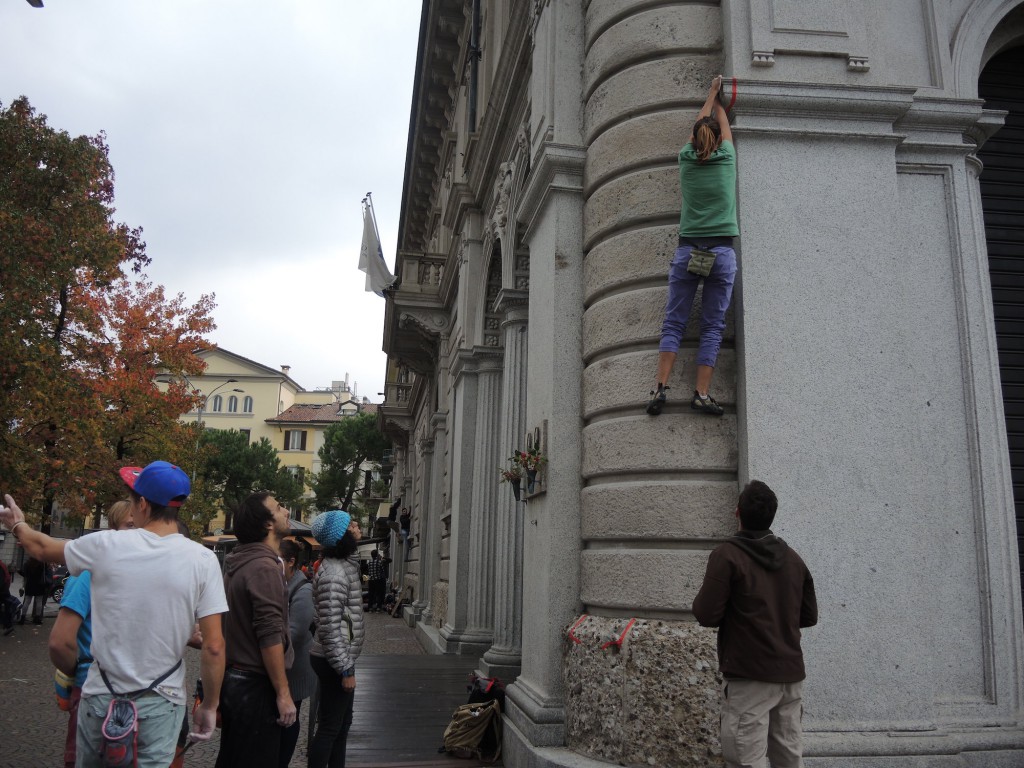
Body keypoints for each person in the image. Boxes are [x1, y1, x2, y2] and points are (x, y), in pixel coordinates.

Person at [0, 461, 227, 768]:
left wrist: (17, 524)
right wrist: (209, 706)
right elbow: (214, 646)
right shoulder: (203, 560)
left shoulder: (106, 545)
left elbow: (40, 547)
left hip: (100, 696)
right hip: (162, 701)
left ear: (143, 504)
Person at [692, 480, 818, 768]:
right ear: (772, 515)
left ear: (737, 512)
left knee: (746, 759)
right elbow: (809, 616)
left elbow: (706, 614)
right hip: (790, 676)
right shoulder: (793, 559)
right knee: (789, 759)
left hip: (749, 677)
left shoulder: (727, 556)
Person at [647, 74, 738, 417]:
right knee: (712, 326)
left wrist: (709, 95)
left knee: (675, 322)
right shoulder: (727, 158)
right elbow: (722, 128)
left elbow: (697, 127)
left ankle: (660, 388)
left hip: (689, 251)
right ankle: (701, 393)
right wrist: (721, 100)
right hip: (721, 253)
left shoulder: (686, 159)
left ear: (695, 140)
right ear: (718, 141)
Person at [48, 499, 134, 768]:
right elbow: (60, 643)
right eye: (130, 526)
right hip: (93, 688)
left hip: (134, 692)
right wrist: (79, 671)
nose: (137, 535)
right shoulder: (88, 572)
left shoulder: (138, 575)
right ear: (113, 530)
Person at [215, 492, 296, 768]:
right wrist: (283, 693)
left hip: (238, 684)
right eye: (279, 507)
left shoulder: (241, 562)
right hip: (255, 688)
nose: (286, 511)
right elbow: (269, 634)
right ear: (267, 524)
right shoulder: (263, 567)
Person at [308, 510, 365, 768]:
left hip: (338, 657)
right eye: (351, 524)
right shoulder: (334, 574)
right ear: (341, 536)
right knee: (330, 727)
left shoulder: (344, 564)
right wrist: (345, 669)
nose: (357, 525)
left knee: (341, 725)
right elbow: (331, 628)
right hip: (333, 660)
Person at [278, 539, 316, 768]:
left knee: (289, 719)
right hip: (280, 667)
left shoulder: (303, 589)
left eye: (278, 559)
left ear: (291, 562)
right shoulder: (279, 583)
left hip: (294, 670)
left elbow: (296, 632)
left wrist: (264, 645)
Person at [20, 555, 48, 624]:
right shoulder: (42, 563)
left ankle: (23, 617)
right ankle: (37, 618)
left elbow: (24, 574)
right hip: (39, 584)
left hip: (29, 584)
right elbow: (45, 572)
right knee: (39, 602)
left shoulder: (27, 563)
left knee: (27, 601)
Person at [0, 558, 13, 636]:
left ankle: (8, 625)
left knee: (4, 610)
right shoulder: (2, 565)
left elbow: (1, 581)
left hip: (2, 591)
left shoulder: (0, 567)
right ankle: (8, 625)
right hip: (4, 590)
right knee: (6, 609)